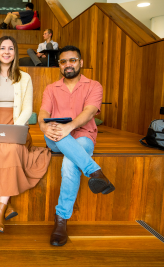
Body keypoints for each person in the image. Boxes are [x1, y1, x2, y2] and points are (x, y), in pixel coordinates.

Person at [38, 45, 115, 246]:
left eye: (72, 60)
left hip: (83, 135)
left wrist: (69, 127)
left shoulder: (94, 86)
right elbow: (43, 115)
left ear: (80, 62)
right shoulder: (51, 88)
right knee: (55, 130)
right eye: (63, 62)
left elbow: (89, 112)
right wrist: (44, 127)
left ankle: (61, 220)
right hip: (54, 136)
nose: (68, 65)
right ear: (59, 66)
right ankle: (95, 172)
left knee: (69, 164)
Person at [0, 36, 51, 233]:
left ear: (15, 52)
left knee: (11, 149)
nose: (7, 52)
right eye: (3, 48)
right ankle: (4, 205)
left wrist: (14, 129)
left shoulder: (24, 77)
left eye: (11, 48)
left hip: (16, 125)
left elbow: (27, 109)